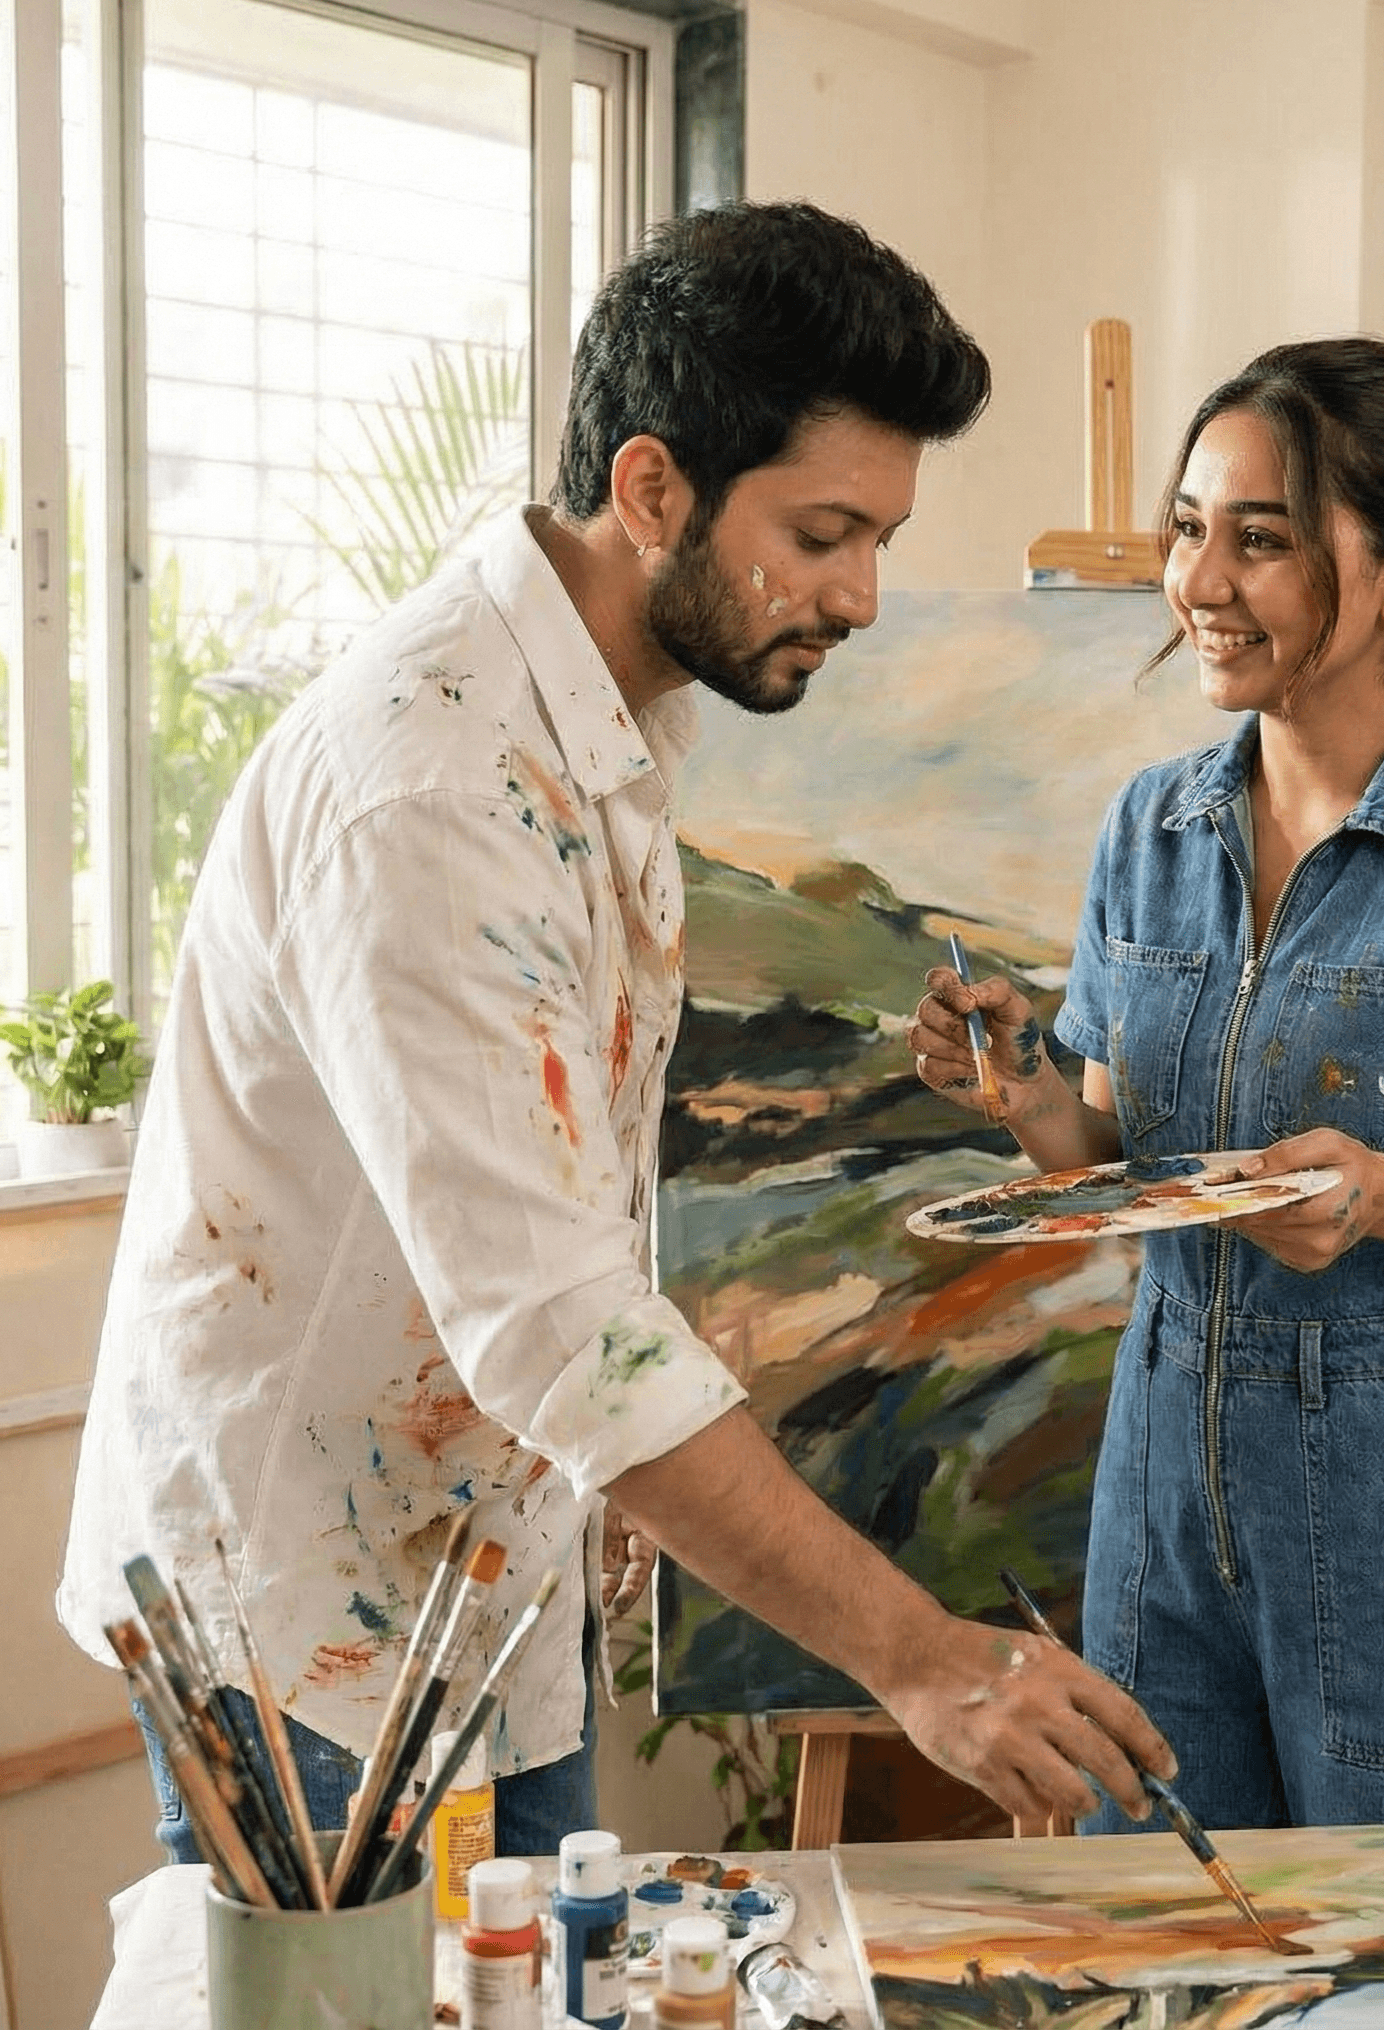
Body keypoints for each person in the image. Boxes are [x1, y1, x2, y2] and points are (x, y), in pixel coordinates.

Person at [58, 199, 1173, 1862]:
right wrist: (918, 1659)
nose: (863, 595)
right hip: (307, 1627)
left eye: (880, 536)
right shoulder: (435, 789)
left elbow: (552, 1177)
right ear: (653, 487)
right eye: (821, 534)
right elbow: (553, 1317)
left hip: (482, 1572)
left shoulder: (614, 709)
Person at [910, 336, 1384, 1831]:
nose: (1202, 578)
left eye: (1262, 539)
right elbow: (1124, 1153)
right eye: (1189, 528)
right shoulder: (1152, 828)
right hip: (1160, 1490)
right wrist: (1017, 1087)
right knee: (1172, 1953)